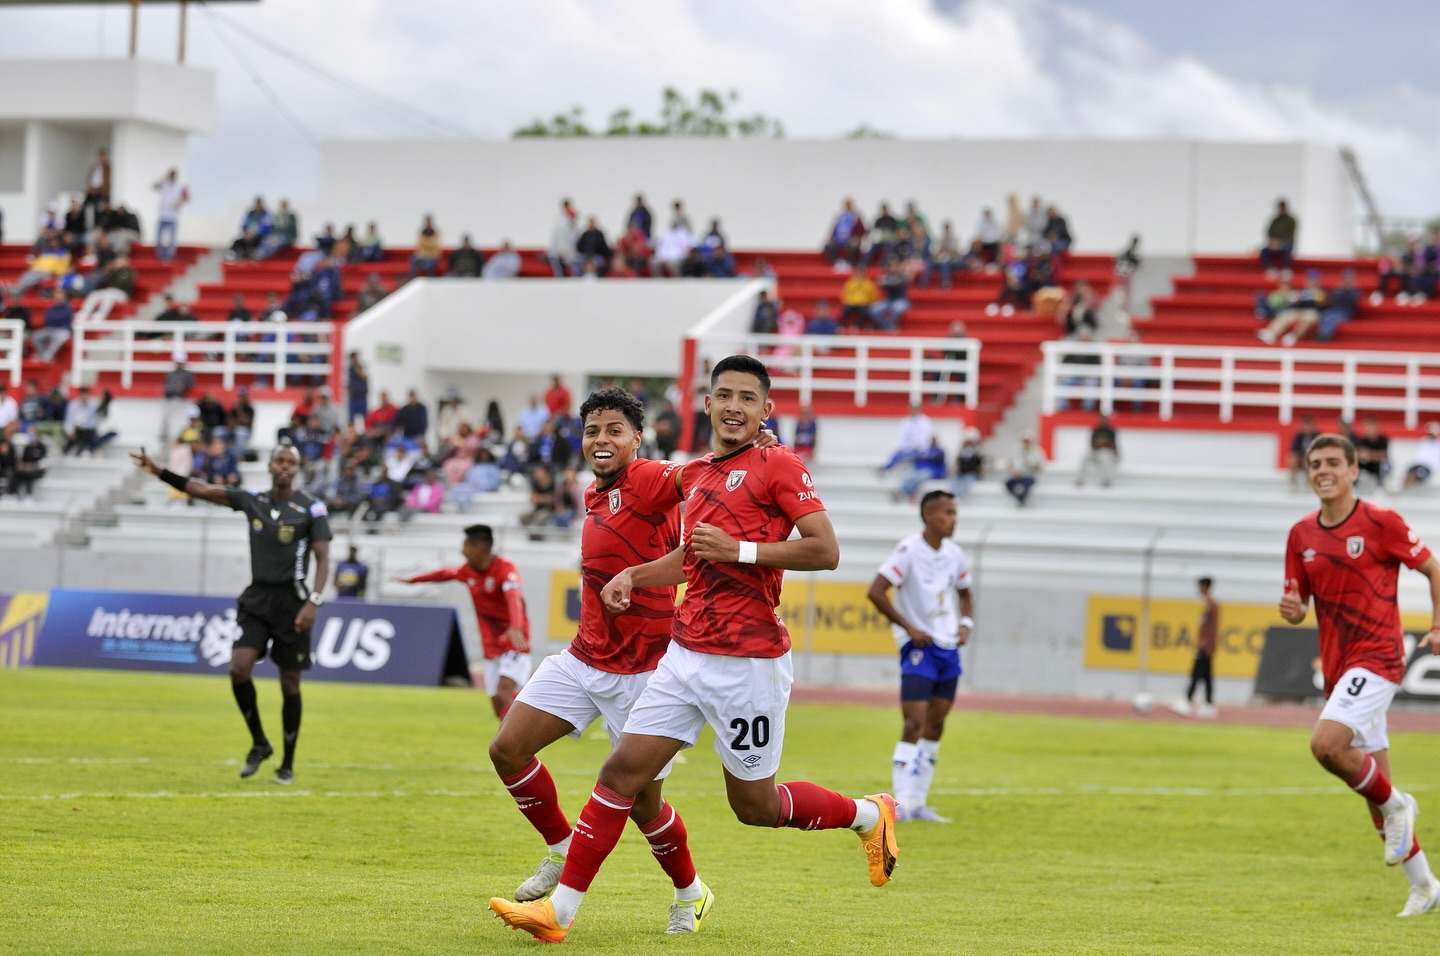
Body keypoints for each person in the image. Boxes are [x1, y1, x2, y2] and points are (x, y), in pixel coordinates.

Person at [489, 355, 897, 944]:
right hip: (684, 655)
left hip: (750, 663)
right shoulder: (698, 472)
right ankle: (559, 913)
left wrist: (742, 551)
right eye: (723, 395)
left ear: (765, 409)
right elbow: (694, 555)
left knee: (754, 806)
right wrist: (638, 575)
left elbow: (825, 550)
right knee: (621, 774)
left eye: (747, 398)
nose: (734, 405)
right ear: (705, 404)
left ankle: (867, 814)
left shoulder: (779, 464)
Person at [486, 386, 713, 933]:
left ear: (637, 438)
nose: (602, 439)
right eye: (593, 430)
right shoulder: (595, 491)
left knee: (643, 806)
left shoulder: (649, 478)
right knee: (507, 749)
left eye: (615, 430)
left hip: (645, 675)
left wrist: (754, 454)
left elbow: (699, 475)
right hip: (584, 658)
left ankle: (691, 892)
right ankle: (562, 846)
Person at [1279, 433, 1440, 917]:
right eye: (1314, 463)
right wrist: (1290, 610)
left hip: (1379, 656)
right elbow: (1296, 605)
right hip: (1338, 666)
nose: (1322, 470)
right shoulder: (1301, 535)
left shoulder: (1380, 522)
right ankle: (1426, 886)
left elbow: (1434, 569)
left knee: (1327, 746)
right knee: (1372, 791)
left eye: (1332, 462)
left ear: (1353, 470)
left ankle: (1399, 804)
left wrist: (1437, 625)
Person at [130, 444, 332, 784]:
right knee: (238, 669)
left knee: (289, 682)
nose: (284, 467)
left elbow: (323, 558)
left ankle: (287, 765)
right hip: (257, 598)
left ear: (297, 469)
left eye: (291, 463)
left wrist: (314, 600)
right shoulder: (253, 500)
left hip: (293, 602)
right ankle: (259, 742)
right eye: (279, 461)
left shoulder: (312, 508)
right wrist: (159, 470)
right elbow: (203, 489)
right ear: (270, 465)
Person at [866, 490, 973, 822]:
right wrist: (908, 627)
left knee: (936, 725)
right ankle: (900, 805)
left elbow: (965, 592)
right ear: (928, 516)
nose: (953, 519)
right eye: (947, 513)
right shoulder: (909, 550)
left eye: (955, 513)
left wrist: (966, 623)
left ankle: (918, 803)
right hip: (919, 650)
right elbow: (875, 590)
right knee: (913, 723)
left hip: (948, 650)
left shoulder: (955, 554)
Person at [396, 524, 530, 719]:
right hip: (491, 645)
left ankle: (517, 744)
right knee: (498, 703)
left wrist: (516, 626)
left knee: (503, 695)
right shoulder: (468, 571)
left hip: (514, 640)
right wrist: (414, 580)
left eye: (466, 545)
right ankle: (531, 709)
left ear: (480, 549)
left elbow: (514, 598)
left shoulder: (505, 569)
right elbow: (445, 574)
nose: (462, 550)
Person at [1171, 578, 1219, 719]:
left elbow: (1213, 628)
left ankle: (1187, 700)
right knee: (1206, 676)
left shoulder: (1211, 605)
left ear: (1205, 587)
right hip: (1206, 646)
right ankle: (1209, 704)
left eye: (1200, 586)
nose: (1198, 589)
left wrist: (1207, 645)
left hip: (1205, 647)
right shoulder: (1208, 604)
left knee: (1196, 674)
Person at [152, 168, 188, 262]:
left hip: (173, 215)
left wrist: (179, 203)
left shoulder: (180, 186)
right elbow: (153, 185)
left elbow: (186, 197)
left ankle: (170, 255)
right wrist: (164, 178)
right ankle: (160, 254)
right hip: (163, 215)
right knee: (159, 237)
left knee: (172, 238)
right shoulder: (164, 184)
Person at [1074, 414, 1119, 488]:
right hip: (1096, 452)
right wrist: (1101, 445)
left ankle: (1106, 481)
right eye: (1100, 420)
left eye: (1103, 420)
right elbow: (1092, 445)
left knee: (1104, 457)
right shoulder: (1095, 430)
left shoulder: (1111, 431)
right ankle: (1080, 480)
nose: (1102, 421)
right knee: (1085, 457)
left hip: (1107, 452)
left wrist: (1102, 446)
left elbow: (1112, 445)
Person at [1004, 431, 1044, 506]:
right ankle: (1018, 498)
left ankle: (1021, 499)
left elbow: (1040, 468)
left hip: (1029, 475)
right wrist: (1013, 471)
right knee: (1008, 483)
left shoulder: (1037, 452)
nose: (1026, 443)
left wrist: (1031, 465)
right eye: (1024, 441)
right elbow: (1009, 464)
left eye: (1028, 441)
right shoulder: (1015, 451)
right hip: (1016, 475)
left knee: (1026, 483)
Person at [1260, 199, 1297, 276]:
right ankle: (1270, 268)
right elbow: (1269, 232)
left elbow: (1289, 234)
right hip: (1274, 243)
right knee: (1264, 251)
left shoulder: (1291, 220)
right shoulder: (1275, 220)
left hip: (1286, 242)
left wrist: (1279, 242)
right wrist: (1273, 241)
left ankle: (1286, 269)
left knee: (1286, 248)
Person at [1403, 422, 1440, 491]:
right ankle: (1404, 487)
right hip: (1417, 463)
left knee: (1415, 475)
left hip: (1428, 466)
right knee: (1409, 473)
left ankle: (1403, 489)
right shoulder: (1424, 440)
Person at [1287, 415, 1321, 490]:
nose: (1306, 428)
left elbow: (1320, 450)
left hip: (1313, 459)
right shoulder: (1298, 436)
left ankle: (1308, 482)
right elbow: (1294, 450)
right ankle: (1293, 481)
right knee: (1293, 458)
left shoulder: (1317, 436)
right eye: (1305, 425)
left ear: (1312, 426)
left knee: (1307, 458)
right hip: (1301, 459)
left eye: (1308, 425)